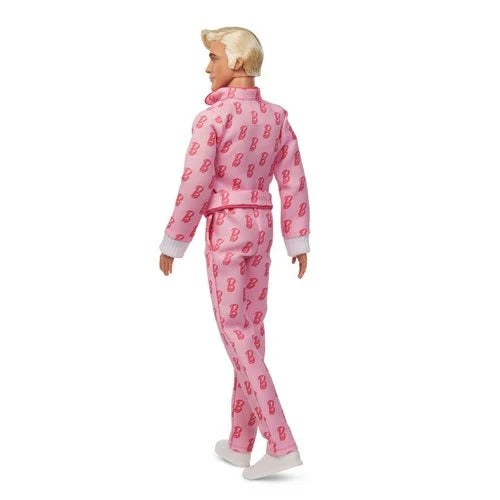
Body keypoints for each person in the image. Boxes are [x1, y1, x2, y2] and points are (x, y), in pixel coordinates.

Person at [158, 26, 310, 480]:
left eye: (214, 57)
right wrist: (298, 238)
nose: (208, 67)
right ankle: (241, 443)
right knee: (252, 330)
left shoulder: (213, 119)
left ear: (237, 62)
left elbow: (195, 183)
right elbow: (293, 180)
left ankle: (280, 440)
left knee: (235, 330)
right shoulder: (276, 118)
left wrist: (174, 239)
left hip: (226, 228)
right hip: (261, 226)